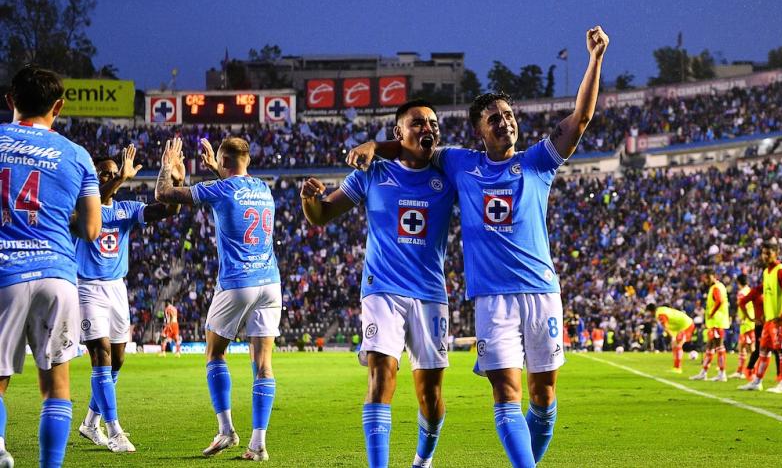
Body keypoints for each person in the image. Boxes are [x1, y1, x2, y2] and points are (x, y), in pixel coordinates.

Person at [347, 25, 608, 468]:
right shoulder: (457, 162)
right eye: (495, 118)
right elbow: (415, 147)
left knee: (543, 397)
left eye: (509, 115)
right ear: (478, 132)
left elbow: (579, 120)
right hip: (492, 300)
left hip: (542, 292)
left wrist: (596, 59)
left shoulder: (538, 162)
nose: (505, 121)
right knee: (506, 394)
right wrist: (378, 144)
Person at [301, 100, 455, 468]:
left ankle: (422, 460)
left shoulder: (448, 173)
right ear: (398, 132)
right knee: (381, 375)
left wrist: (374, 143)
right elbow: (321, 216)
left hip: (430, 294)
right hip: (381, 290)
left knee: (430, 398)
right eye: (417, 122)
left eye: (432, 122)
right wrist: (309, 200)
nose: (427, 128)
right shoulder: (372, 174)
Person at [0, 66, 102, 468]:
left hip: (4, 272)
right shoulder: (77, 155)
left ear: (10, 101)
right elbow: (92, 228)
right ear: (58, 106)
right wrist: (58, 219)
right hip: (57, 274)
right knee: (56, 386)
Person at [154, 136, 281, 461]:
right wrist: (217, 167)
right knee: (263, 365)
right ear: (247, 160)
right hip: (270, 283)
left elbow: (164, 195)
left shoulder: (221, 189)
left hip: (237, 282)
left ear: (222, 162)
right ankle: (258, 444)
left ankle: (226, 430)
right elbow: (235, 182)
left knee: (214, 354)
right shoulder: (264, 189)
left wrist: (168, 167)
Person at [74, 145, 181, 453]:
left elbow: (166, 211)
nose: (108, 176)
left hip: (117, 289)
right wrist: (120, 177)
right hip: (87, 287)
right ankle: (114, 430)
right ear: (91, 177)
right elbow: (92, 205)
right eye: (102, 173)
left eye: (111, 172)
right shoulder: (79, 206)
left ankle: (90, 422)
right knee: (101, 356)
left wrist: (171, 179)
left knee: (118, 360)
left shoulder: (127, 210)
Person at [739, 240, 782, 393]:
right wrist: (766, 315)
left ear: (776, 254)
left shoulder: (781, 270)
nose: (765, 256)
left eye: (768, 253)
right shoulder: (766, 272)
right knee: (763, 349)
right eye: (763, 253)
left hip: (781, 320)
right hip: (770, 320)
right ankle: (757, 381)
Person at [690, 270, 730, 382]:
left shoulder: (716, 287)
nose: (706, 281)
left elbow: (719, 301)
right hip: (715, 322)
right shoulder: (717, 287)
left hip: (717, 321)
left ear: (713, 277)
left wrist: (711, 313)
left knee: (719, 346)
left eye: (707, 278)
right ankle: (704, 372)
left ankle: (722, 373)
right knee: (710, 347)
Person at [650, 304, 695, 373]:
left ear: (651, 311)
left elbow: (665, 327)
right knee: (674, 345)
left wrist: (672, 336)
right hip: (681, 326)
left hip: (686, 325)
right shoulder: (662, 309)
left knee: (677, 345)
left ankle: (678, 368)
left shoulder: (660, 313)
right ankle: (676, 367)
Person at [731, 274, 757, 380]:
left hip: (746, 322)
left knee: (746, 347)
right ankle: (745, 371)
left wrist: (743, 317)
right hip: (751, 321)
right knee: (746, 347)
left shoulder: (741, 293)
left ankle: (747, 371)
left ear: (738, 283)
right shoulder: (750, 291)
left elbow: (742, 306)